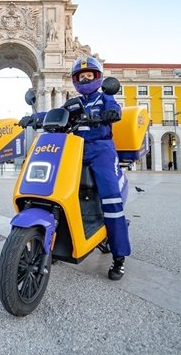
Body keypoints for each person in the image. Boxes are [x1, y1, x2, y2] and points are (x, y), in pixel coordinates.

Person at [21, 56, 131, 280]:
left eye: (89, 76)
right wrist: (33, 118)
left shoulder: (105, 97)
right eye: (81, 77)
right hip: (76, 148)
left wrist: (110, 114)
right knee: (58, 188)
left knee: (110, 198)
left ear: (97, 77)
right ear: (75, 80)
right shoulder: (74, 103)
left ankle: (119, 256)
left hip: (101, 150)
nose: (85, 79)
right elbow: (55, 114)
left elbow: (115, 110)